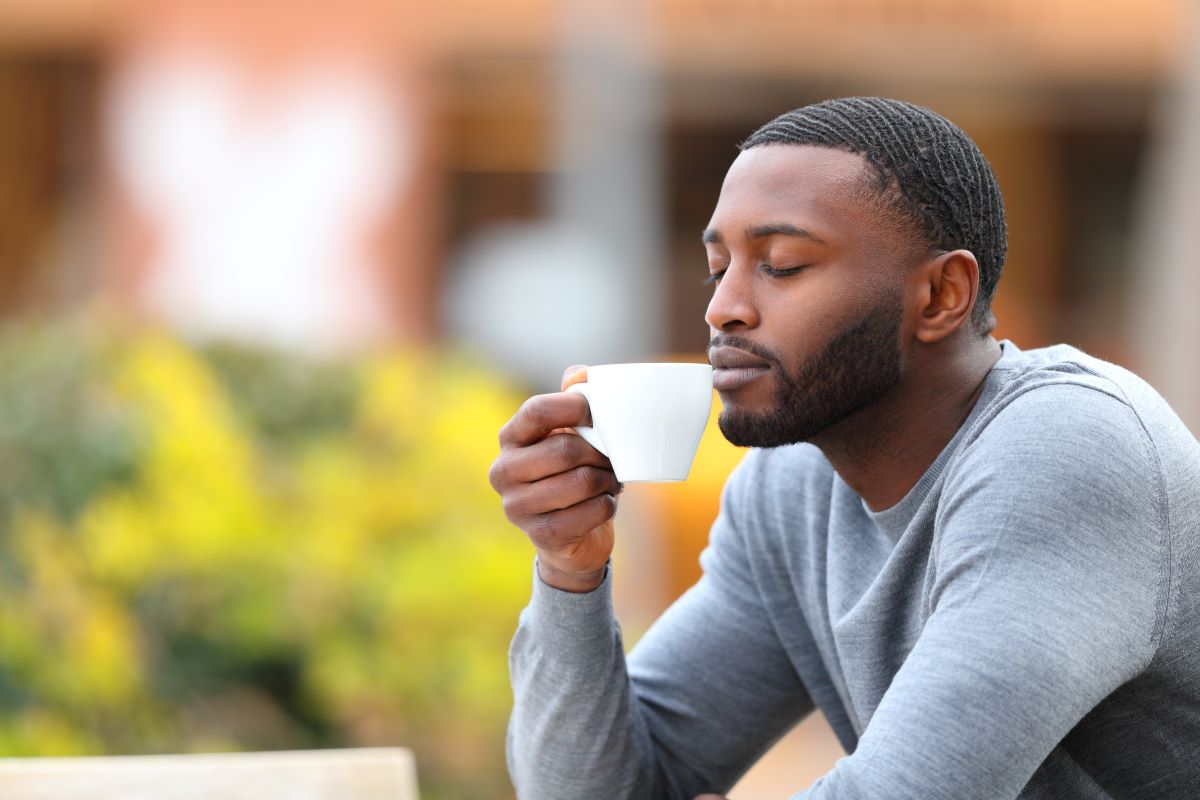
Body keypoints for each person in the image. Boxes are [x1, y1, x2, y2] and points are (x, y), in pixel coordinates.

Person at [487, 97, 1200, 799]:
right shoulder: (791, 487)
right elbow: (594, 789)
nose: (722, 307)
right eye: (718, 268)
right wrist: (569, 570)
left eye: (783, 264)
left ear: (940, 296)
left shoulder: (1070, 450)